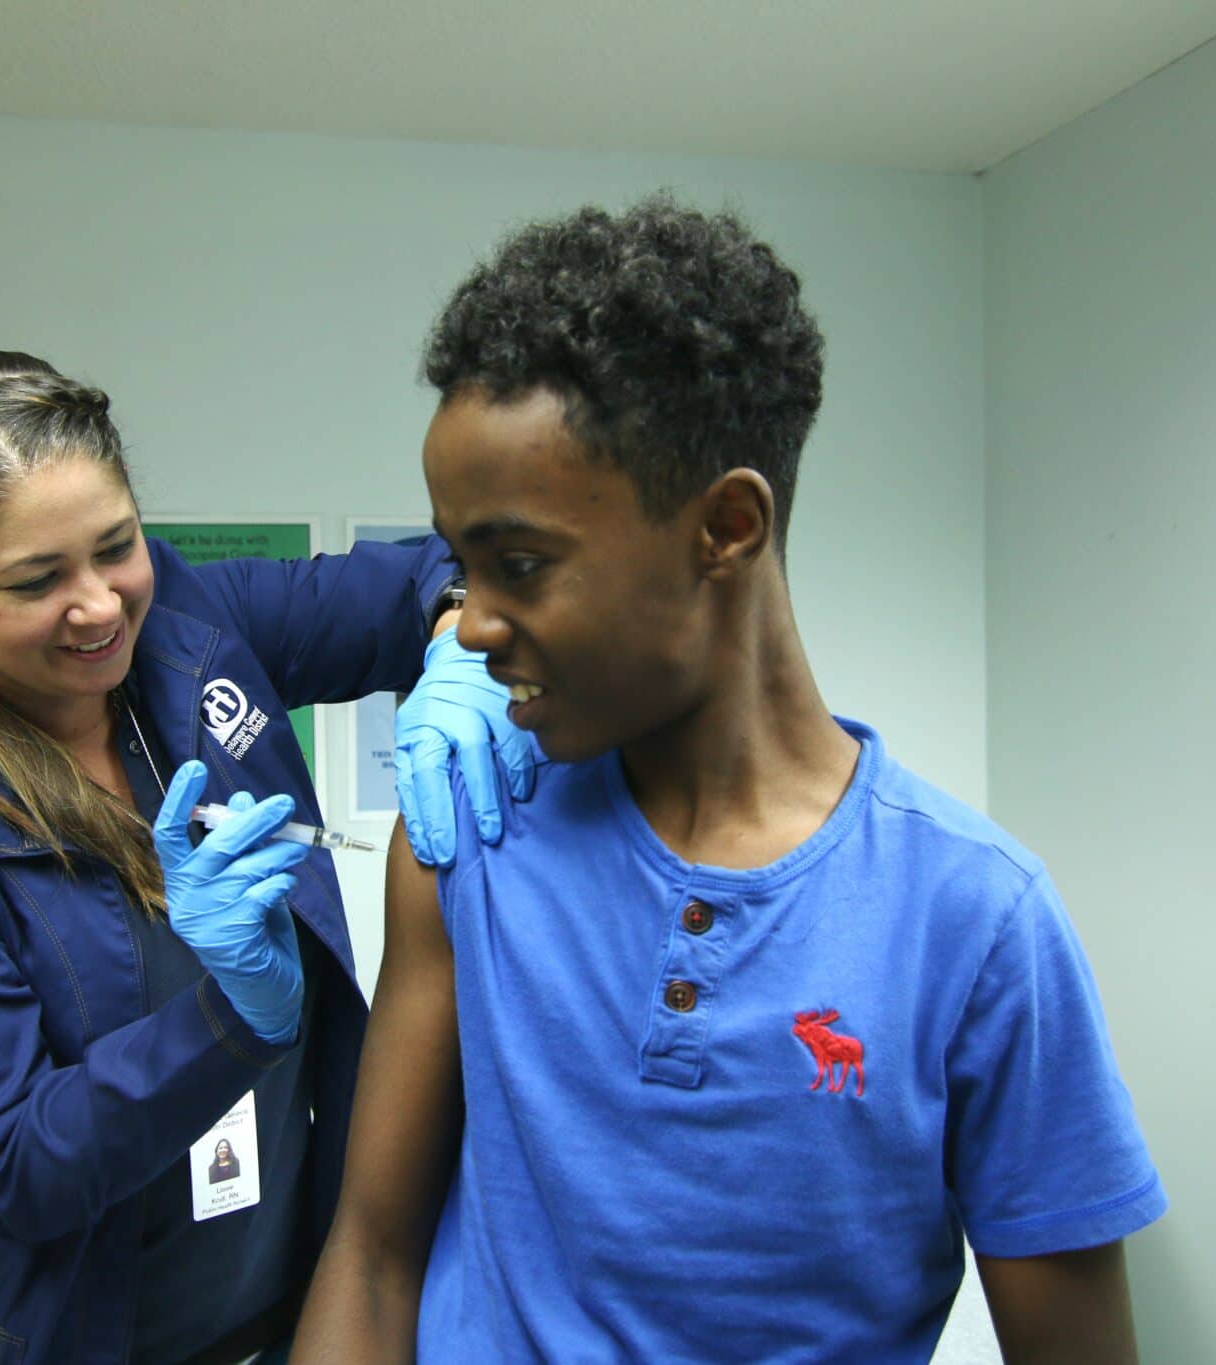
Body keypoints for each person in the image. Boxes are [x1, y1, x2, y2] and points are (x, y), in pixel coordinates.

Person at [295, 199, 1167, 1364]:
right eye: (460, 567)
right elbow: (370, 1257)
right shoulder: (467, 844)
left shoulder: (972, 920)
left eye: (518, 565)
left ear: (724, 527)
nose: (469, 626)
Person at [0, 350, 530, 1365]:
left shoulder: (178, 623)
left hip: (253, 1308)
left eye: (114, 547)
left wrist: (450, 637)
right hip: (24, 1332)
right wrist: (231, 1019)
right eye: (36, 580)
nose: (99, 607)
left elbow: (412, 578)